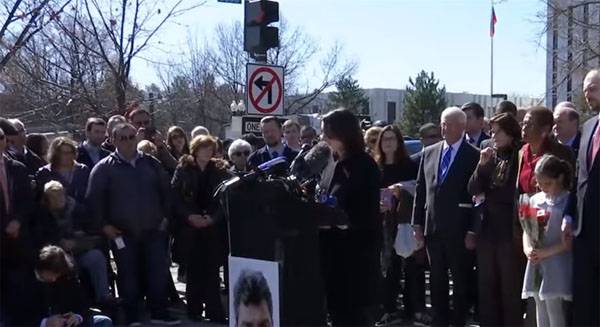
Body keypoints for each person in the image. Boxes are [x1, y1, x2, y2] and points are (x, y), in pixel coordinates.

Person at [86, 123, 179, 325]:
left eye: (131, 137)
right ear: (113, 140)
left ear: (136, 137)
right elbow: (94, 202)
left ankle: (159, 313)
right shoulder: (103, 168)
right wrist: (105, 227)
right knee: (128, 276)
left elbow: (167, 194)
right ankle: (132, 317)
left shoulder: (152, 164)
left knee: (157, 273)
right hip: (122, 234)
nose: (128, 141)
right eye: (122, 138)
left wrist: (165, 219)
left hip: (154, 230)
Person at [411, 106, 479, 326]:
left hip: (459, 230)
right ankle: (440, 320)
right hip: (433, 229)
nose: (444, 128)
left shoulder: (473, 155)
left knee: (460, 281)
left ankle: (458, 321)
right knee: (437, 280)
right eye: (442, 123)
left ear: (462, 127)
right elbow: (421, 190)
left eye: (449, 124)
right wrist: (417, 224)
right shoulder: (429, 153)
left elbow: (477, 197)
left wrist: (472, 230)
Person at [320, 109, 381, 326]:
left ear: (342, 133)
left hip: (356, 259)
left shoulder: (365, 166)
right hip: (332, 255)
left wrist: (338, 220)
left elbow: (367, 213)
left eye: (327, 133)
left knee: (355, 317)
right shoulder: (331, 163)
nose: (323, 138)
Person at [468, 113, 524, 326]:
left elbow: (513, 190)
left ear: (510, 132)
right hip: (487, 226)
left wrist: (489, 193)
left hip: (509, 228)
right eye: (491, 131)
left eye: (498, 131)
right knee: (487, 284)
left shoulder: (519, 153)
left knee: (509, 285)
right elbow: (473, 189)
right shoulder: (489, 152)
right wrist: (482, 166)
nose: (493, 135)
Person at [171, 135, 231, 323]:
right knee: (194, 270)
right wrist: (189, 217)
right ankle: (194, 310)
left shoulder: (221, 170)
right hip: (190, 227)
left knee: (212, 272)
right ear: (195, 149)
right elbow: (175, 198)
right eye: (203, 147)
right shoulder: (184, 169)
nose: (207, 151)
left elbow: (225, 200)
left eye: (210, 148)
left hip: (212, 228)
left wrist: (212, 219)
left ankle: (215, 312)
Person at [374, 125, 429, 326]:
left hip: (405, 222)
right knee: (389, 268)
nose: (388, 142)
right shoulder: (375, 166)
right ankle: (389, 309)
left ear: (399, 142)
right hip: (384, 224)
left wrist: (402, 189)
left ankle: (414, 309)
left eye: (392, 138)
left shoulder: (409, 165)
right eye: (384, 139)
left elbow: (419, 190)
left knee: (413, 268)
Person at [34, 181, 112, 306]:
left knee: (96, 257)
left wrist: (76, 243)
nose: (58, 199)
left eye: (60, 195)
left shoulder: (79, 211)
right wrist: (58, 245)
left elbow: (97, 237)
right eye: (53, 197)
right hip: (57, 257)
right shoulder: (41, 215)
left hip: (80, 253)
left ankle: (104, 298)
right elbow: (40, 239)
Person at [563, 68, 600, 326]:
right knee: (585, 303)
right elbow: (578, 179)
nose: (587, 94)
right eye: (585, 89)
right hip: (584, 233)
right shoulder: (587, 127)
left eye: (593, 88)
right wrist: (568, 214)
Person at [522, 154, 573, 327]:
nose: (542, 187)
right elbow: (527, 230)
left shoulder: (567, 201)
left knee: (554, 308)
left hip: (557, 261)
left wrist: (545, 252)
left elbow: (568, 241)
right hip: (537, 262)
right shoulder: (536, 200)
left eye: (547, 183)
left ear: (559, 178)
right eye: (539, 183)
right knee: (539, 306)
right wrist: (528, 248)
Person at [0, 126, 41, 326]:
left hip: (20, 240)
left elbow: (27, 201)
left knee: (22, 290)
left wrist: (17, 221)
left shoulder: (17, 168)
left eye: (1, 138)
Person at [35, 245, 112, 327]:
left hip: (66, 323)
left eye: (57, 275)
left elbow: (82, 305)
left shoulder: (67, 278)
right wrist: (45, 322)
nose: (54, 279)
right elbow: (24, 317)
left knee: (104, 321)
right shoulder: (27, 284)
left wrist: (77, 317)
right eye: (51, 274)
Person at [519, 106, 575, 196]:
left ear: (545, 129)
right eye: (523, 123)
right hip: (526, 207)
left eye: (530, 125)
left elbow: (568, 187)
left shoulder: (561, 154)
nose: (524, 128)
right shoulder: (521, 152)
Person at [35, 137, 90, 204]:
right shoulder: (45, 173)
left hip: (80, 212)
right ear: (55, 154)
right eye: (63, 153)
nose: (68, 156)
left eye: (70, 152)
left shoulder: (82, 170)